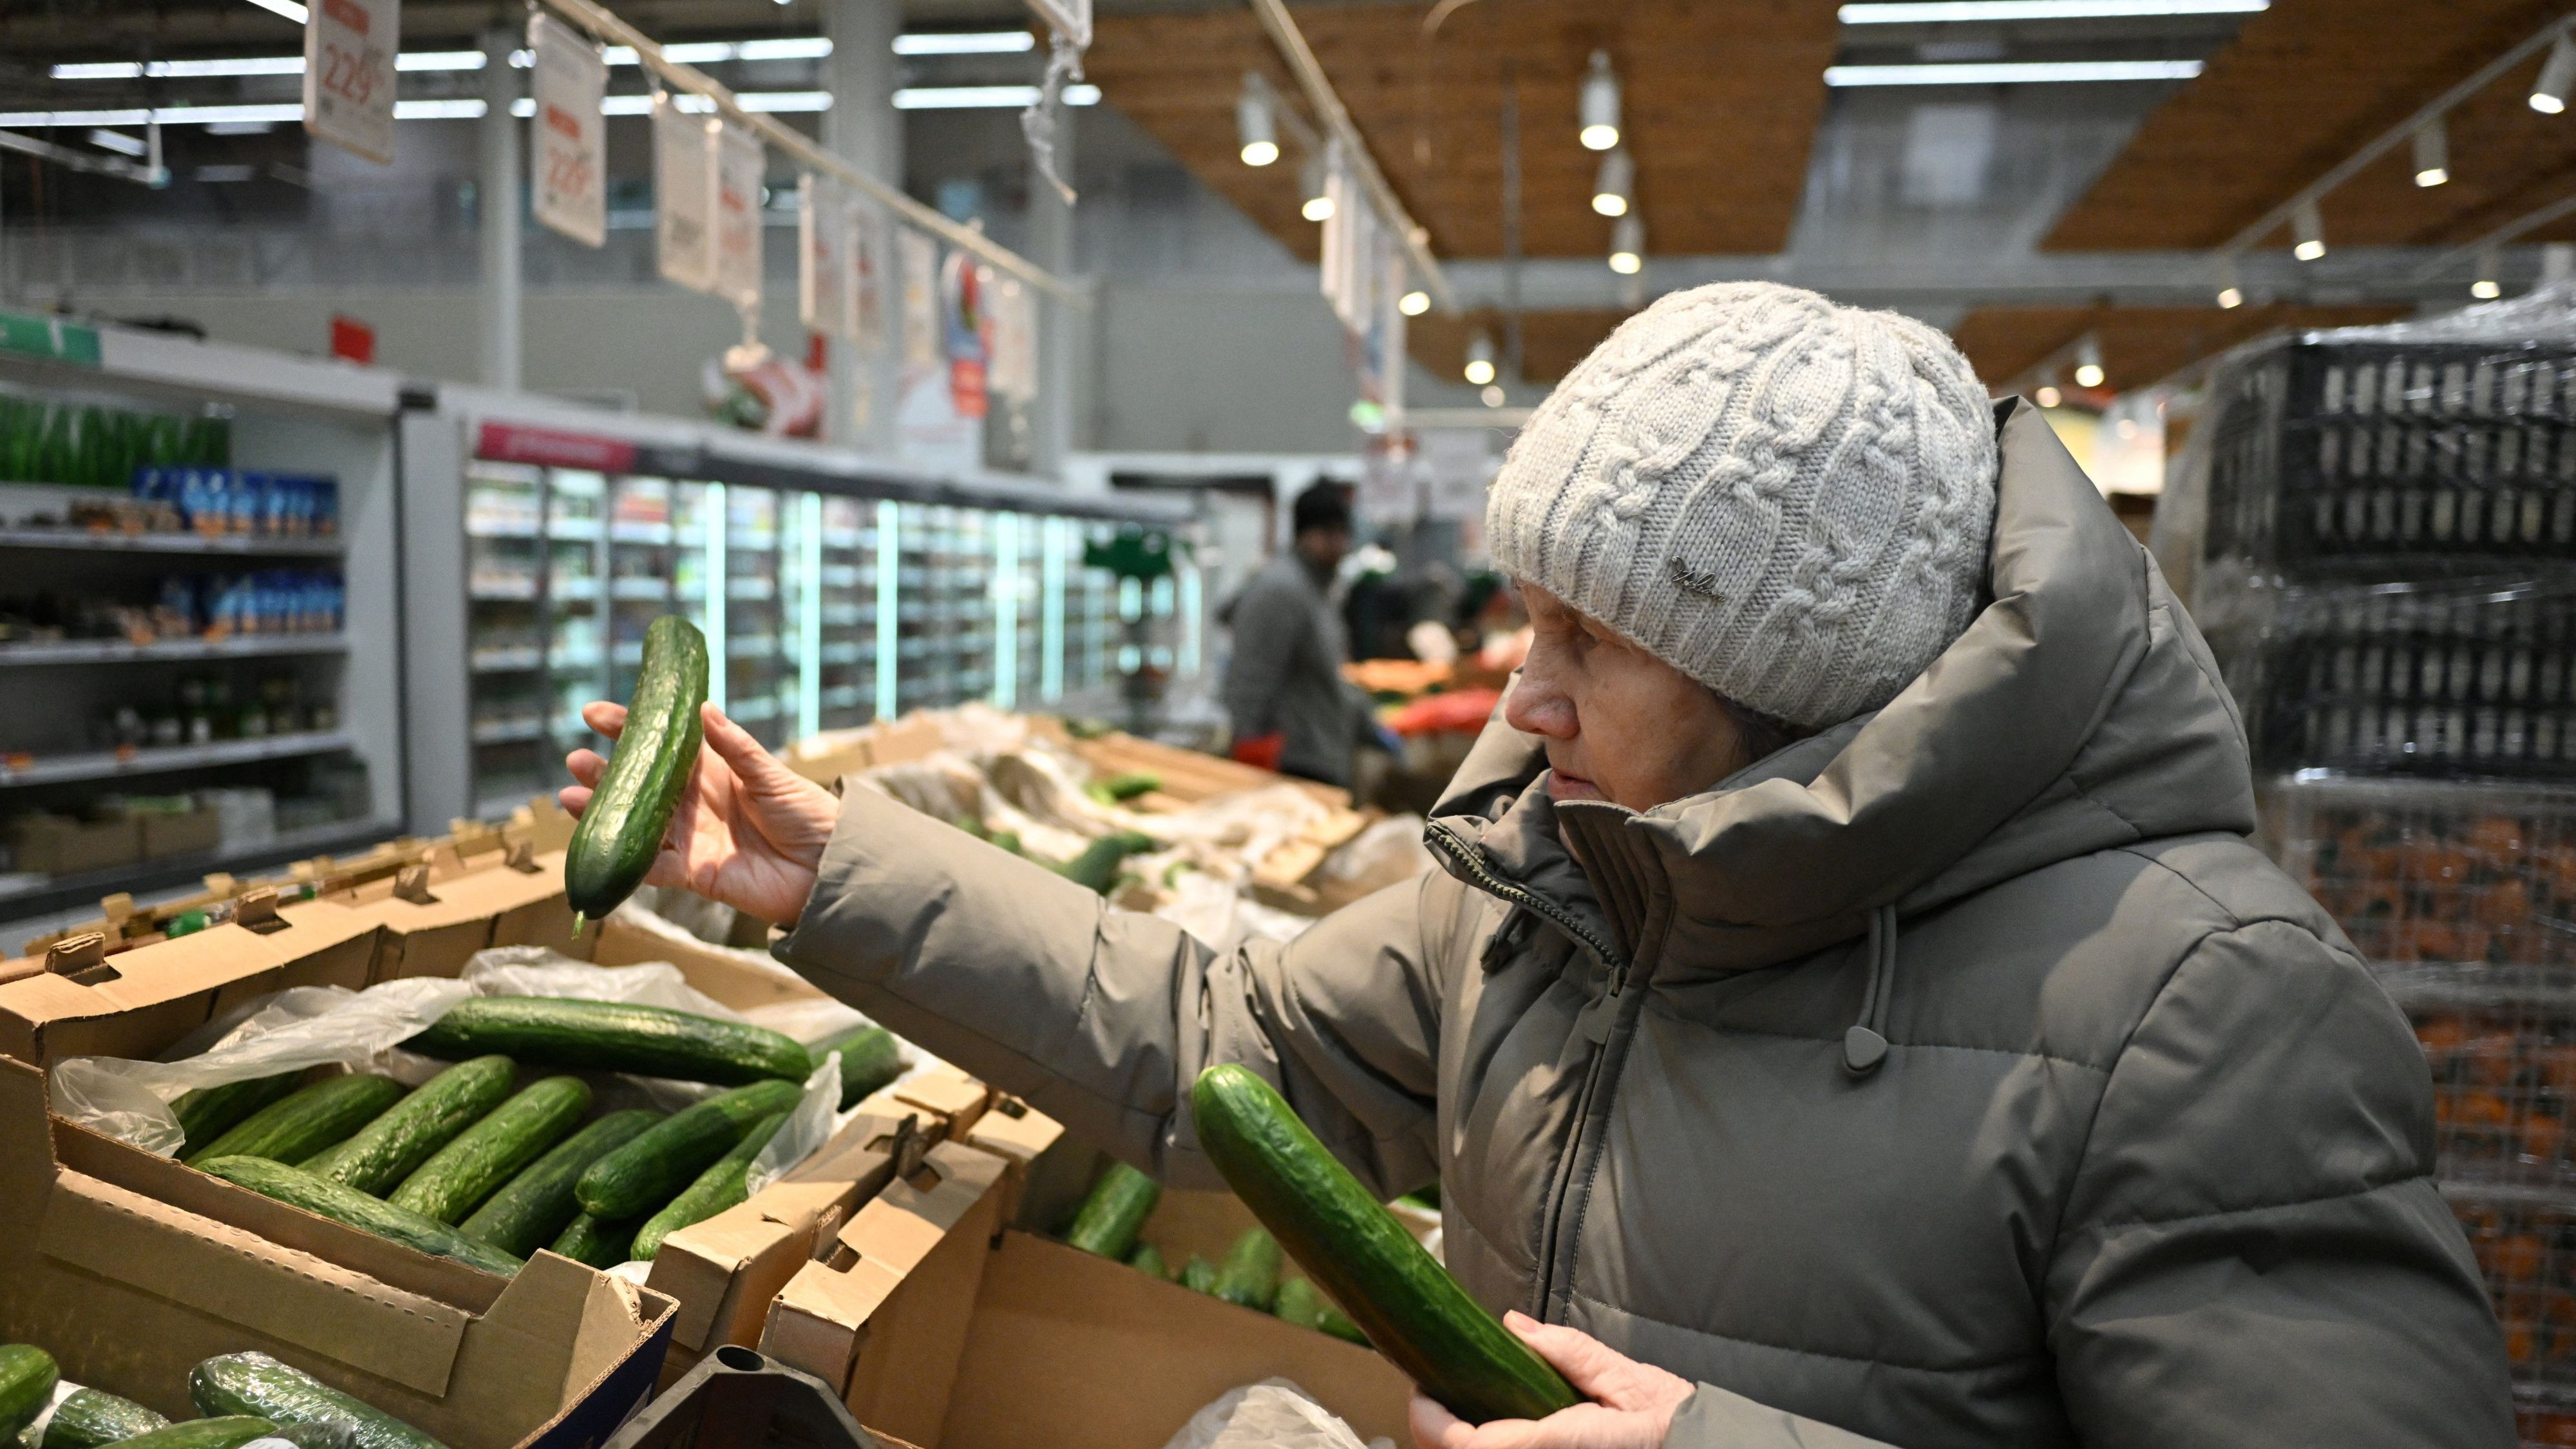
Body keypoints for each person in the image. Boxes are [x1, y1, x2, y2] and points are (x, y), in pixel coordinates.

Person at [564, 281, 2512, 1449]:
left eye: (1592, 640)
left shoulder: (2212, 1013)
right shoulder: (1569, 892)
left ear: (1796, 682)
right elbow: (1217, 1039)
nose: (1519, 694)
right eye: (1529, 615)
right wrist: (839, 875)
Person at [1219, 482, 1379, 786]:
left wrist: (1366, 723)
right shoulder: (1282, 590)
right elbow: (1251, 678)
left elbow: (1328, 676)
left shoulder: (1316, 589)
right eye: (1331, 534)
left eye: (1344, 534)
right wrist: (1250, 752)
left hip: (1320, 753)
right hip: (1291, 762)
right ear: (1307, 534)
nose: (1341, 545)